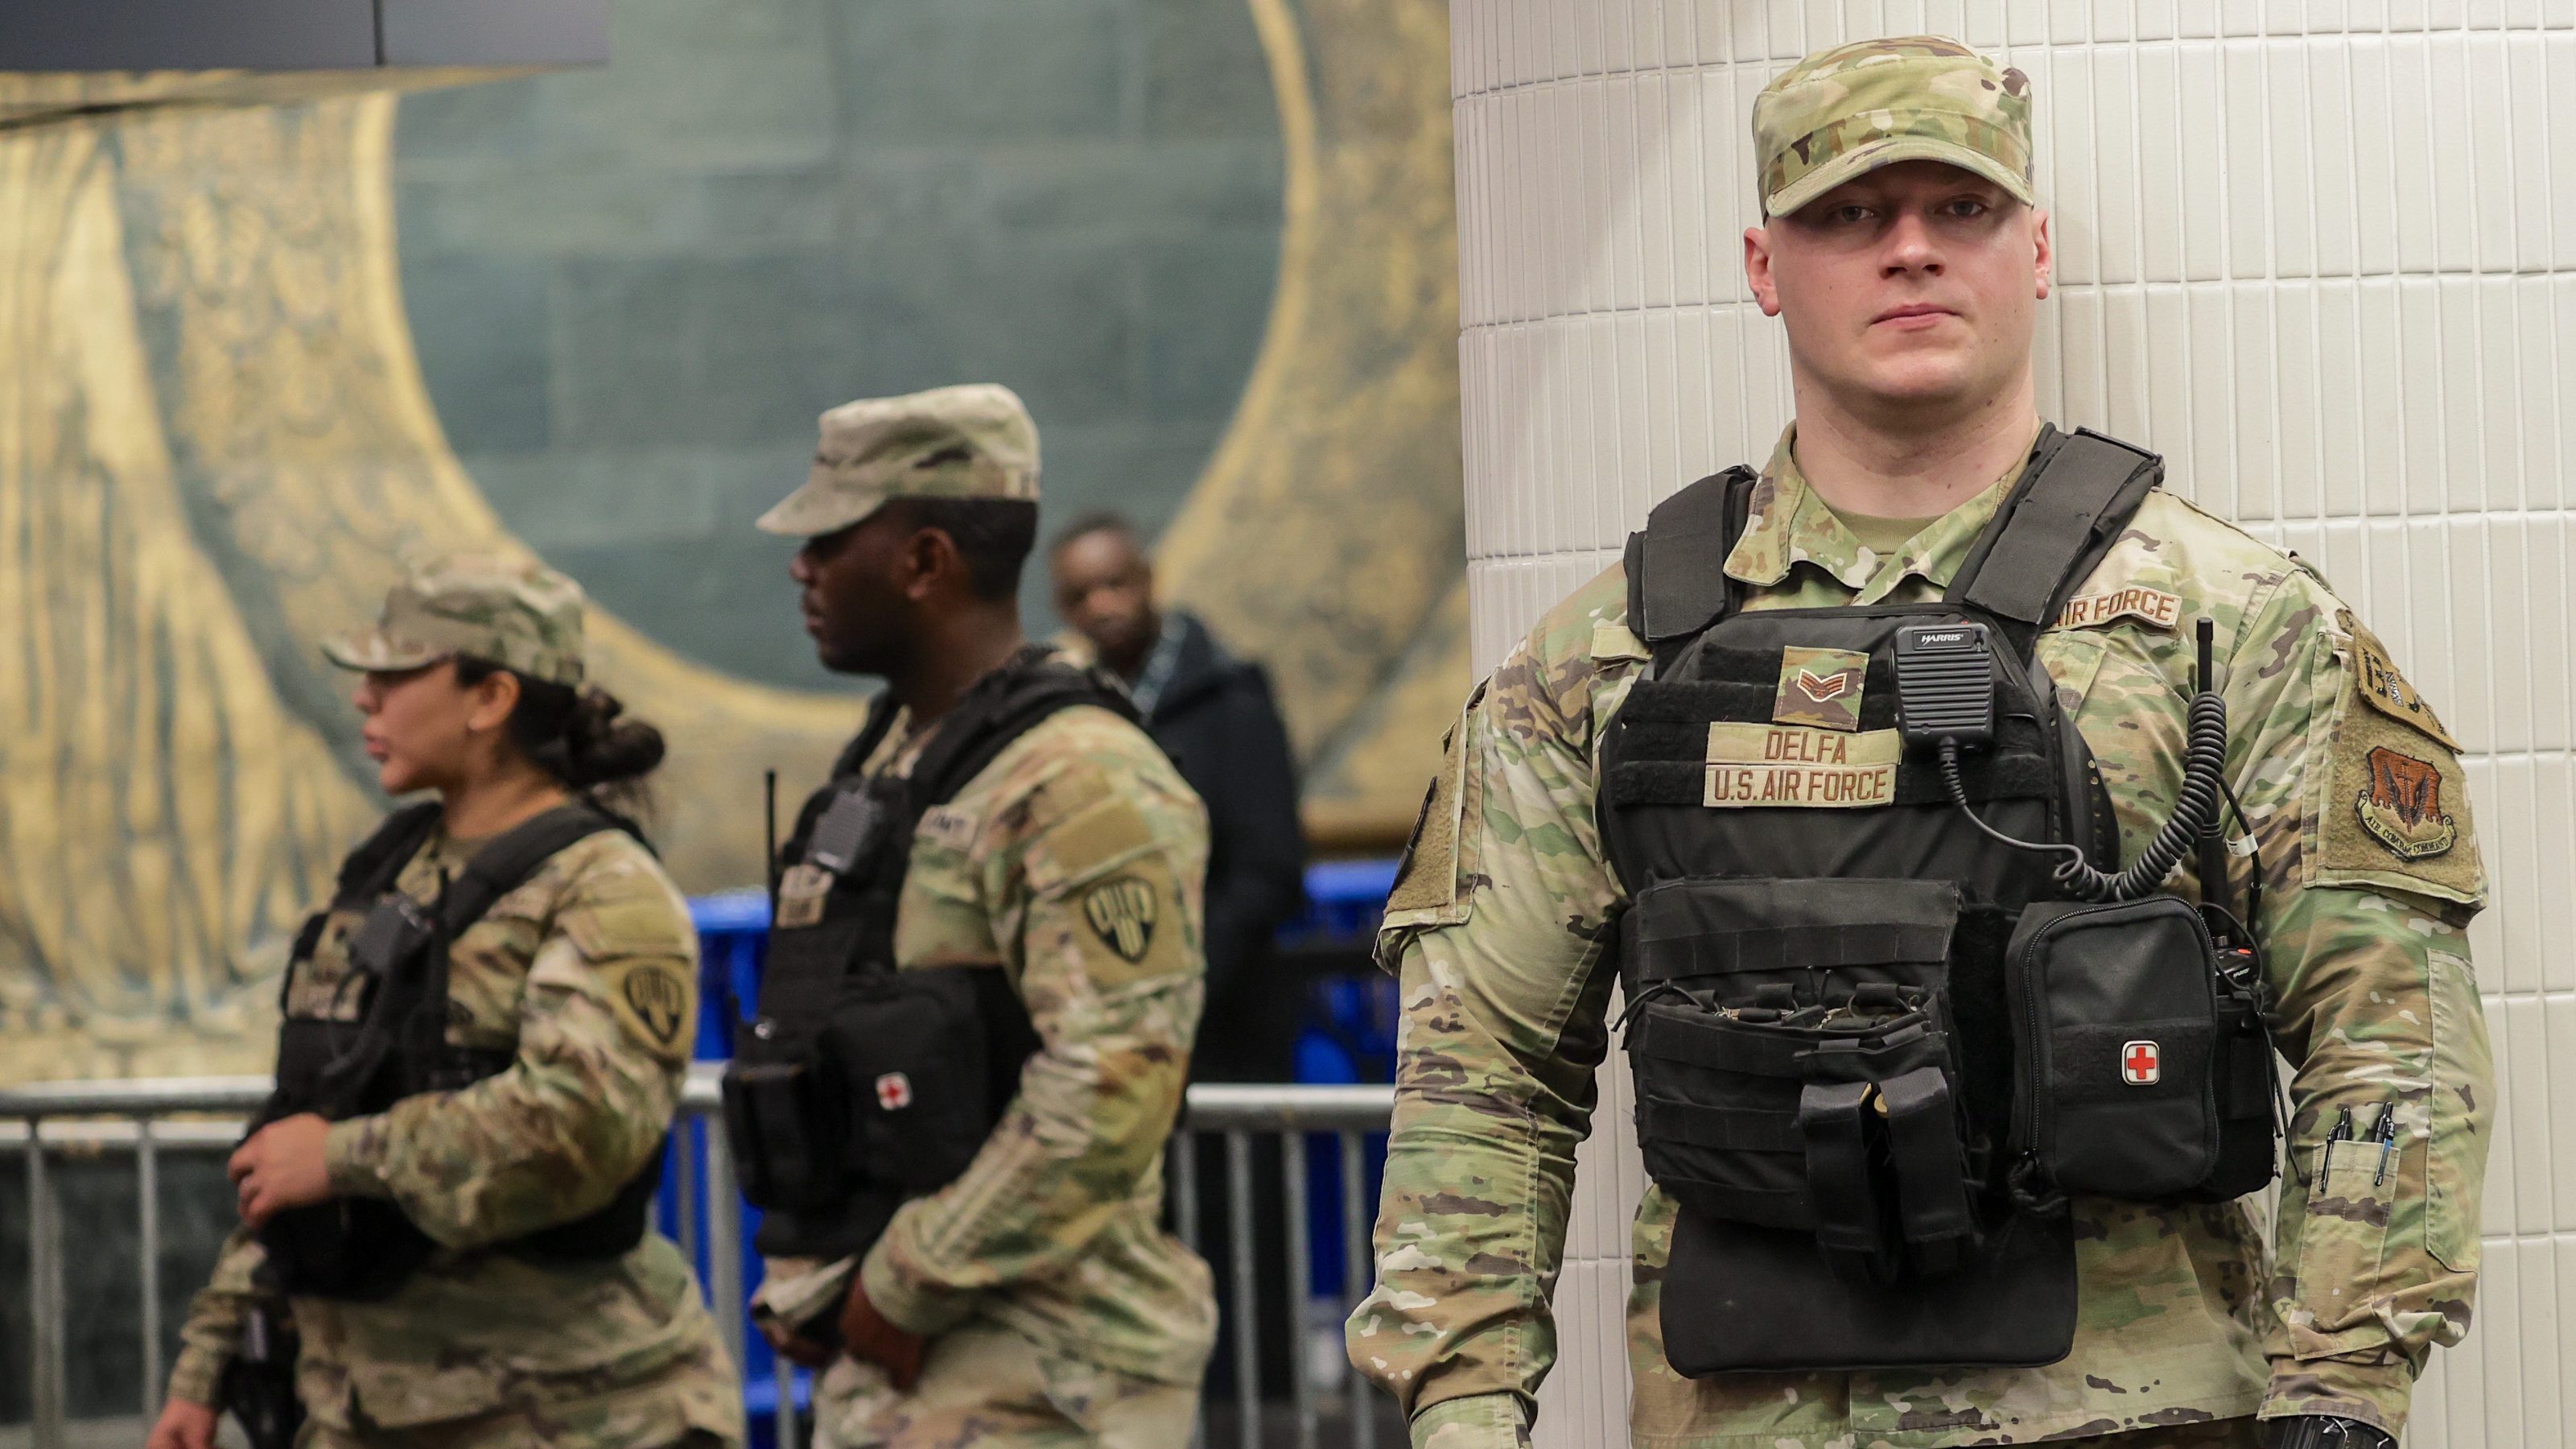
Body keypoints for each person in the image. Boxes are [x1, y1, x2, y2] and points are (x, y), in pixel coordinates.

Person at [1348, 37, 2490, 1449]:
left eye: (1961, 211)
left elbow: (2391, 1040)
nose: (1908, 254)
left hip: (2130, 1422)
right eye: (1846, 215)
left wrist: (2340, 1398)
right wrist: (1462, 1411)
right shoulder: (1609, 660)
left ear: (2036, 250)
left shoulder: (2230, 626)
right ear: (1765, 266)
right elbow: (1485, 1076)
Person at [147, 555, 744, 1449]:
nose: (365, 699)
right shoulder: (391, 875)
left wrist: (348, 1158)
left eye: (394, 675)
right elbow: (298, 1133)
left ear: (490, 698)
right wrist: (209, 1362)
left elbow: (584, 1125)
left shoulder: (603, 888)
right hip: (362, 1410)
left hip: (569, 1415)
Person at [730, 385, 1215, 1448]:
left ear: (924, 561)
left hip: (1045, 1378)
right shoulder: (894, 765)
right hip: (917, 1371)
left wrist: (902, 1281)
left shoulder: (1077, 778)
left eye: (828, 540)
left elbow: (1113, 1080)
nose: (800, 568)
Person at [1050, 513, 1308, 1000]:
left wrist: (1186, 978)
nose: (1101, 606)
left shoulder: (1231, 695)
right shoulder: (1079, 709)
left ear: (1148, 579)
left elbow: (1270, 870)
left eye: (1114, 584)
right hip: (1116, 988)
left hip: (1228, 1000)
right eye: (1079, 596)